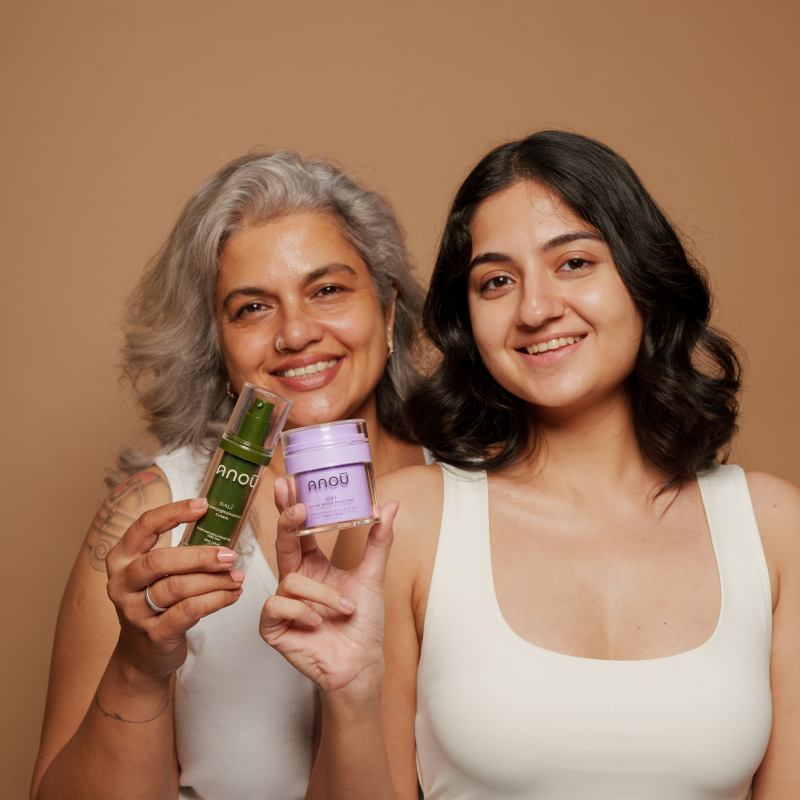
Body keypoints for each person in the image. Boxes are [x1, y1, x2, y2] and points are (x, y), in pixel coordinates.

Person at [259, 131, 800, 799]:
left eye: (574, 263)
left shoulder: (774, 527)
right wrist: (351, 693)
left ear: (644, 277)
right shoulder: (408, 521)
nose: (536, 309)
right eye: (496, 282)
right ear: (470, 321)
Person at [30, 151, 428, 800]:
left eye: (327, 290)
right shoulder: (155, 516)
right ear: (216, 343)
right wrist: (139, 664)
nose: (296, 332)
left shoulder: (479, 492)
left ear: (387, 310)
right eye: (251, 308)